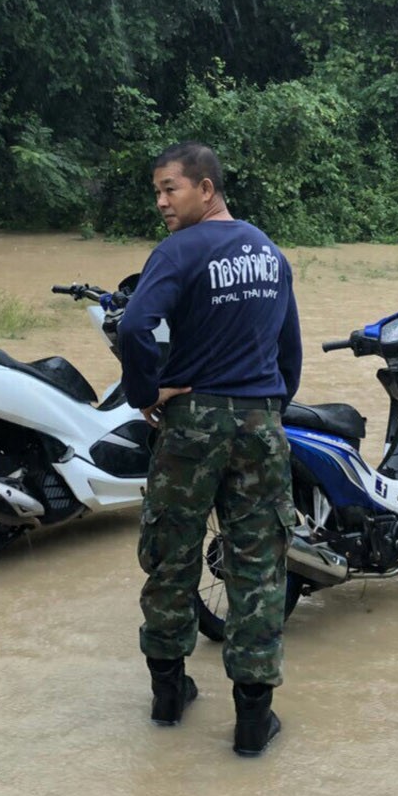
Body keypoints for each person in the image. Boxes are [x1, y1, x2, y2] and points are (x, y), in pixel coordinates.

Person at [117, 142, 301, 758]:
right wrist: (268, 405)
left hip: (192, 422)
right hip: (261, 423)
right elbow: (290, 350)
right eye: (157, 192)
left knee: (172, 555)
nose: (162, 203)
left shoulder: (180, 250)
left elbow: (135, 326)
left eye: (170, 189)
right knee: (258, 568)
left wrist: (147, 392)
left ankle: (168, 698)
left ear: (206, 188)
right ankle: (253, 723)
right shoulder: (270, 254)